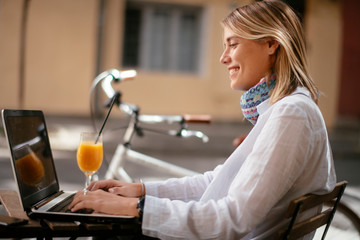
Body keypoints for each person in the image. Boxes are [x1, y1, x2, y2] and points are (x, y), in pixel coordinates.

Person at [69, 1, 336, 239]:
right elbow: (215, 183)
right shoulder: (287, 110)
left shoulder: (290, 114)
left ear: (270, 43)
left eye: (233, 44)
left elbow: (232, 219)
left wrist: (134, 209)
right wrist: (140, 191)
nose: (223, 57)